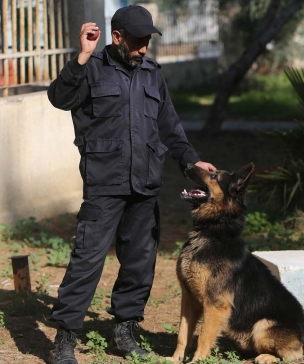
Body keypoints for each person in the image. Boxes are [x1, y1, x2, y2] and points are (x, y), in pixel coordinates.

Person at [46, 5, 216, 364]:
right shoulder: (90, 69)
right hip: (104, 181)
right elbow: (59, 99)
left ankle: (125, 329)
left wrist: (191, 161)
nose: (142, 49)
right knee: (87, 259)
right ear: (117, 37)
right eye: (137, 41)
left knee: (140, 261)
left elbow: (170, 126)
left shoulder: (152, 73)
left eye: (147, 42)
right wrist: (81, 57)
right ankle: (65, 337)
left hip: (146, 181)